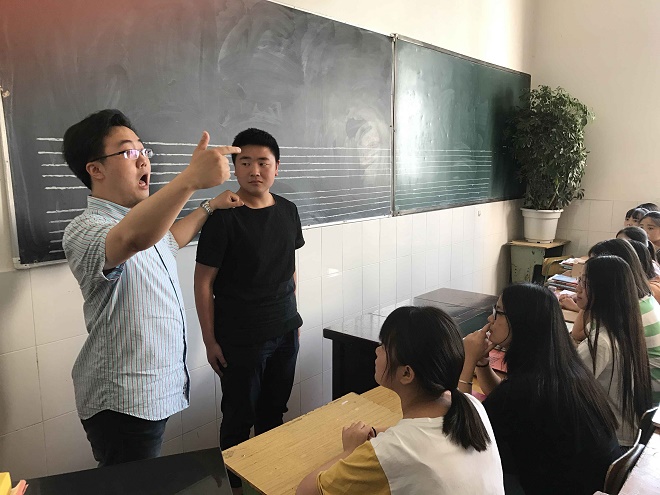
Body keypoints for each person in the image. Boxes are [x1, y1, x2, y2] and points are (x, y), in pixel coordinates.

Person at [62, 109, 242, 466]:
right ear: (95, 169)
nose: (143, 159)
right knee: (129, 486)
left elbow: (169, 239)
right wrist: (190, 179)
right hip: (123, 402)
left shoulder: (146, 225)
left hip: (150, 393)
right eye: (129, 152)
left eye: (144, 150)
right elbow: (131, 238)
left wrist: (209, 206)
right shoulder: (85, 229)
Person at [194, 128, 304, 493]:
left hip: (285, 332)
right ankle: (236, 488)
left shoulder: (288, 210)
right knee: (238, 419)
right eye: (245, 163)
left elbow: (289, 269)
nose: (254, 170)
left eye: (263, 162)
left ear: (277, 167)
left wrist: (293, 319)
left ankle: (268, 483)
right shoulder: (223, 217)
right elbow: (203, 282)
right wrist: (210, 341)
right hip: (240, 340)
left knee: (274, 413)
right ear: (234, 168)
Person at [297, 306, 504, 495]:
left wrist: (350, 450)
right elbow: (422, 434)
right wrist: (377, 431)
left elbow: (306, 492)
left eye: (383, 346)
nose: (377, 350)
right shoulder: (471, 405)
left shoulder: (392, 451)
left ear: (406, 373)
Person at [460, 283, 619, 494]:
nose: (490, 319)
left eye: (497, 312)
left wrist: (467, 362)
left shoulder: (526, 389)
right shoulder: (560, 369)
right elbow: (501, 399)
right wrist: (481, 363)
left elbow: (464, 434)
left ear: (521, 322)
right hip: (586, 483)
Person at [573, 256, 653, 445]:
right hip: (624, 436)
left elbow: (567, 392)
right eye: (579, 280)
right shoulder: (623, 328)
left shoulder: (601, 342)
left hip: (613, 442)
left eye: (584, 282)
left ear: (604, 290)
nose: (578, 288)